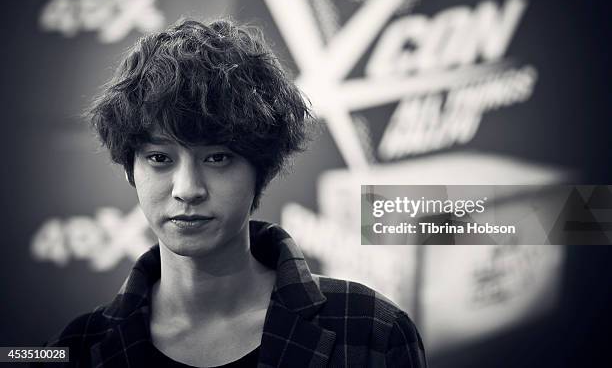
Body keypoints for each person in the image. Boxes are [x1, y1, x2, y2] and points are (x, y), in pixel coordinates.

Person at [44, 19, 427, 367]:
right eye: (160, 158)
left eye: (217, 158)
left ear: (260, 169)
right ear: (131, 169)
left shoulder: (371, 332)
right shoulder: (75, 348)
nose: (187, 189)